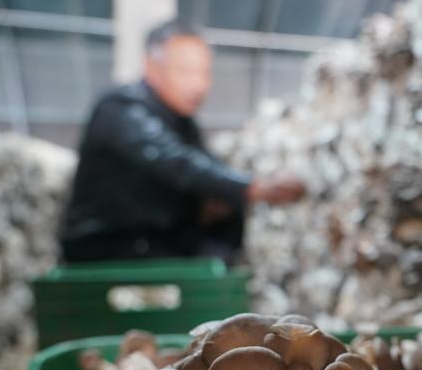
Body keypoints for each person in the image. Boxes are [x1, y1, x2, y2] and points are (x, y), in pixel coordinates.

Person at [60, 20, 304, 263]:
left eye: (204, 73)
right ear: (152, 67)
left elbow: (204, 166)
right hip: (110, 248)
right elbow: (172, 159)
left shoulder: (183, 123)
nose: (198, 84)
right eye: (185, 71)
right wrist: (250, 188)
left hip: (154, 243)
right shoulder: (120, 108)